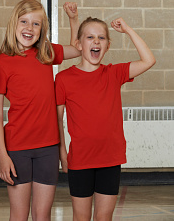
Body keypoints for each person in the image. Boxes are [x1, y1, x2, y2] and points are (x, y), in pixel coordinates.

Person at [56, 17, 155, 221]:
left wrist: (127, 29)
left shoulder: (114, 73)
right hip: (80, 159)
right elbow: (57, 120)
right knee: (81, 216)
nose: (96, 42)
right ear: (78, 44)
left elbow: (148, 60)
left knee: (104, 217)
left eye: (101, 38)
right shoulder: (64, 78)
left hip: (110, 159)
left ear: (108, 46)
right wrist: (62, 152)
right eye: (90, 37)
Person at [0, 0, 80, 221]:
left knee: (42, 215)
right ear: (14, 24)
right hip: (17, 148)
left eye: (36, 24)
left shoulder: (46, 53)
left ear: (42, 30)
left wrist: (73, 18)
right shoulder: (1, 63)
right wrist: (2, 155)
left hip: (48, 148)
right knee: (19, 215)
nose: (29, 28)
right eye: (24, 21)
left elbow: (78, 50)